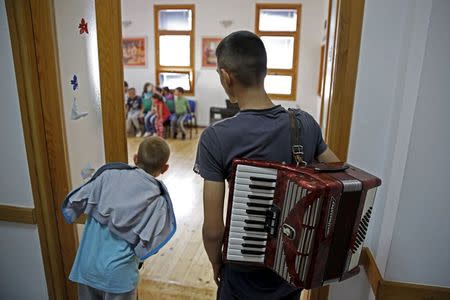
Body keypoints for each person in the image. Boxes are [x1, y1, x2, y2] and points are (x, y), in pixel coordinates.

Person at [193, 31, 340, 300]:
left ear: (226, 77)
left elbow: (213, 229)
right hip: (291, 272)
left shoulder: (215, 137)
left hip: (241, 280)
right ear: (265, 71)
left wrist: (217, 263)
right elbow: (339, 174)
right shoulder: (304, 124)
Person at [62, 137, 176, 300]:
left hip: (87, 267)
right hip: (119, 277)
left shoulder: (107, 177)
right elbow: (149, 245)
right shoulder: (158, 203)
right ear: (165, 168)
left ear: (136, 158)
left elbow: (74, 204)